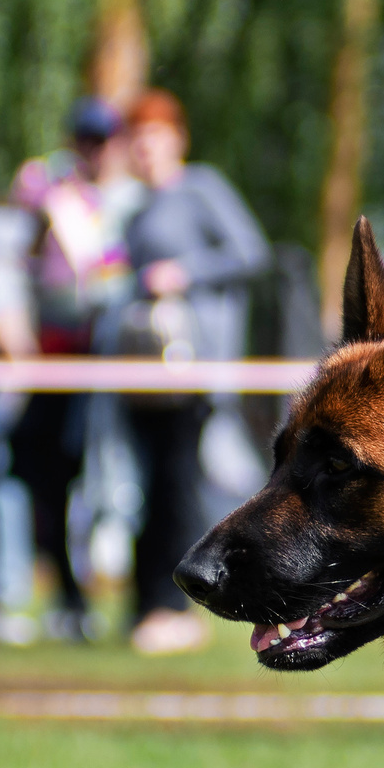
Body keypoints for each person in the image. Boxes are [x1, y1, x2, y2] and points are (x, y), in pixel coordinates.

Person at [116, 88, 269, 656]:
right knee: (153, 484)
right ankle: (149, 606)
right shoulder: (132, 210)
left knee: (188, 483)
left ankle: (179, 607)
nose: (144, 149)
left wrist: (185, 271)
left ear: (176, 138)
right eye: (135, 139)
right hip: (143, 373)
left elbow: (251, 253)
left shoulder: (201, 188)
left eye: (153, 136)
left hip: (197, 369)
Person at [7, 96, 141, 640]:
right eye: (86, 139)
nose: (94, 150)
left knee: (117, 476)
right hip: (61, 357)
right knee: (50, 474)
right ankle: (68, 593)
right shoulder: (51, 190)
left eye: (102, 139)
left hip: (118, 359)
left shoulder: (133, 198)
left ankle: (139, 600)